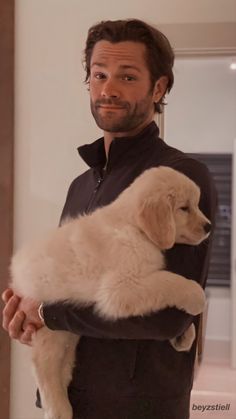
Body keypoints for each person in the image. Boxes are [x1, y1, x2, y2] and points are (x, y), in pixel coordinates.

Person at [2, 19, 217, 419]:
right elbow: (67, 293)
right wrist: (25, 316)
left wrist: (47, 311)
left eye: (127, 76)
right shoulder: (81, 184)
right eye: (99, 75)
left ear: (159, 88)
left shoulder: (183, 178)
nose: (108, 89)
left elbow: (171, 317)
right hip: (67, 401)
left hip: (139, 406)